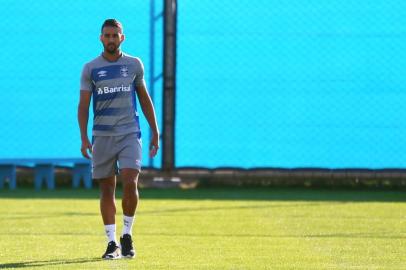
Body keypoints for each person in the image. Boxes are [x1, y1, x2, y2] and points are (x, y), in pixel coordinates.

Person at [78, 19, 159, 259]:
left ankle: (127, 235)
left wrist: (155, 130)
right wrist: (84, 137)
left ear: (122, 37)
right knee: (106, 188)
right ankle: (111, 242)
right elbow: (83, 105)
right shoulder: (90, 68)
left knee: (130, 181)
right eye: (107, 35)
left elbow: (144, 98)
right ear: (101, 38)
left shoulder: (134, 65)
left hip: (129, 133)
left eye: (115, 35)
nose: (111, 39)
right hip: (102, 135)